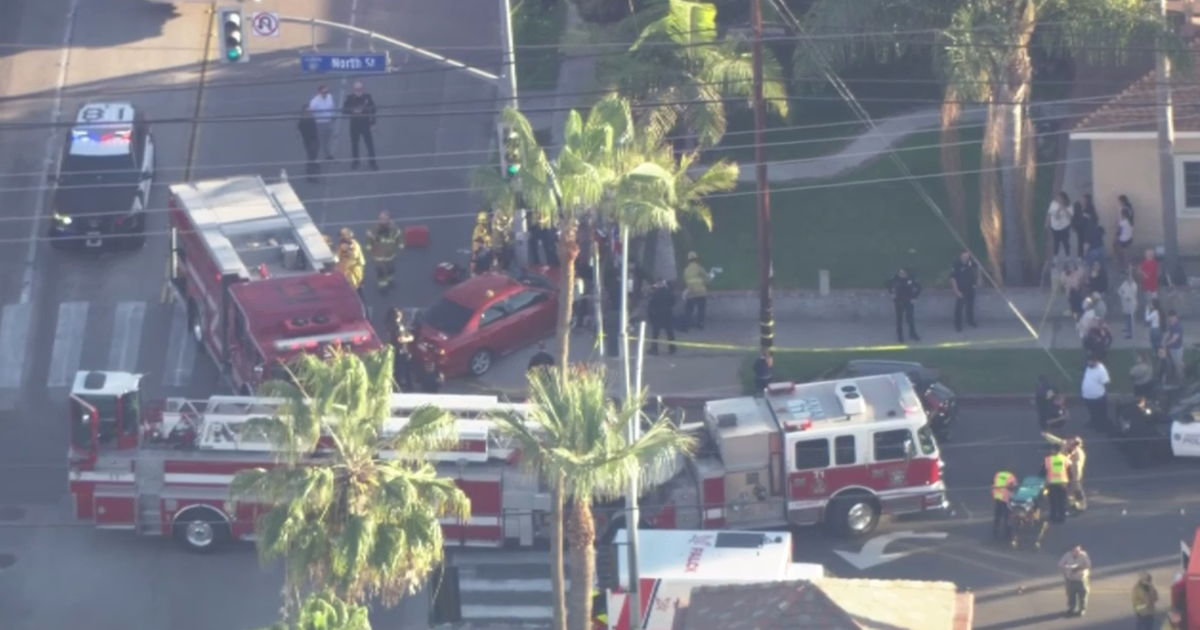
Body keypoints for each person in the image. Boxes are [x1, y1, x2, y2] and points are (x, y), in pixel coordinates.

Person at [341, 81, 378, 170]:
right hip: (354, 124)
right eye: (357, 89)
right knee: (354, 144)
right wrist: (353, 110)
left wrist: (373, 122)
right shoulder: (350, 98)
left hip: (365, 123)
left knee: (369, 143)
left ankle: (372, 162)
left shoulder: (367, 97)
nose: (359, 91)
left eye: (360, 89)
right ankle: (355, 161)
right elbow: (344, 110)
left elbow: (373, 109)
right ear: (353, 90)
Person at [366, 211, 402, 291]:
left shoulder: (395, 229)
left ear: (389, 219)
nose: (381, 220)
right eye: (380, 218)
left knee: (391, 269)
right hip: (378, 256)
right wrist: (369, 252)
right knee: (381, 272)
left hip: (390, 255)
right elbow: (369, 242)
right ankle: (382, 287)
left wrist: (399, 250)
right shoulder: (373, 229)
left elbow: (399, 240)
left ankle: (389, 281)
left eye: (384, 219)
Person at [885, 268, 921, 343]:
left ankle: (912, 334)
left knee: (910, 318)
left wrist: (915, 297)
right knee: (899, 319)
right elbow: (887, 284)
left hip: (909, 300)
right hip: (899, 301)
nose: (901, 275)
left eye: (903, 273)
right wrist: (891, 293)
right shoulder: (895, 278)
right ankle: (900, 336)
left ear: (906, 273)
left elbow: (918, 288)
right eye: (900, 273)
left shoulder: (911, 278)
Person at [385, 308, 414, 391]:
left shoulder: (390, 325)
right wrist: (409, 338)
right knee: (404, 368)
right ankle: (407, 385)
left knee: (397, 369)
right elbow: (401, 339)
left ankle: (398, 385)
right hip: (401, 350)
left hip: (394, 350)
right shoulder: (398, 327)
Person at [1059, 545, 1092, 617]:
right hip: (1070, 579)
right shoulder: (1067, 555)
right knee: (1071, 595)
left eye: (1079, 551)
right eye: (1076, 551)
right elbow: (1060, 564)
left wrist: (1079, 568)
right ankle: (1072, 608)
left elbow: (1088, 565)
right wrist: (1067, 567)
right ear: (1072, 551)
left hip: (1081, 579)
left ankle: (1082, 609)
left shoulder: (1084, 555)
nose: (1078, 553)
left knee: (1083, 595)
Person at [647, 279, 677, 355]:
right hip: (667, 313)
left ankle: (654, 349)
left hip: (657, 315)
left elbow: (651, 305)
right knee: (669, 332)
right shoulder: (668, 292)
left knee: (655, 333)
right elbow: (673, 302)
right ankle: (672, 348)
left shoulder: (655, 293)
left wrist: (650, 315)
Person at [951, 250, 978, 332]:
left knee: (970, 306)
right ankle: (958, 324)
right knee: (959, 308)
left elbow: (977, 268)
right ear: (960, 256)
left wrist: (975, 283)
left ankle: (970, 321)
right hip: (961, 289)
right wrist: (957, 291)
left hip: (971, 288)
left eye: (967, 257)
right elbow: (952, 279)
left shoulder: (970, 263)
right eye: (964, 257)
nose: (965, 258)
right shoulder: (956, 265)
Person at [1081, 354, 1110, 430]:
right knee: (1092, 412)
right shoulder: (1088, 367)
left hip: (1098, 397)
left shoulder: (1101, 369)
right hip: (1087, 396)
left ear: (1097, 361)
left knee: (1100, 413)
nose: (1091, 363)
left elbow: (1106, 382)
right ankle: (1094, 423)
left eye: (1093, 361)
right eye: (1090, 361)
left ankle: (1101, 427)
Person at [682, 251, 710, 330]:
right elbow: (707, 278)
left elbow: (685, 280)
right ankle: (700, 323)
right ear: (696, 259)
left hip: (691, 292)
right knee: (701, 309)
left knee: (689, 309)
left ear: (688, 260)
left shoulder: (686, 270)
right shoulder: (699, 268)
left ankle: (687, 323)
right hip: (701, 292)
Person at [308, 85, 336, 161]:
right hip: (319, 124)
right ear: (319, 92)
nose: (325, 94)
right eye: (324, 92)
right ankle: (314, 157)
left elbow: (332, 107)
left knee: (327, 140)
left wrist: (333, 115)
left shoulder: (329, 97)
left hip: (328, 122)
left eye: (326, 92)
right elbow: (309, 112)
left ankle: (327, 154)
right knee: (318, 142)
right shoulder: (314, 102)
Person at [336, 228, 365, 298]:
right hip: (346, 271)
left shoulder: (354, 245)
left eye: (343, 236)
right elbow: (337, 256)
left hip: (354, 269)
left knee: (356, 289)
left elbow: (355, 255)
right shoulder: (341, 246)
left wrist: (348, 251)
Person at [1045, 445, 1070, 524]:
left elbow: (1043, 471)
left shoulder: (1048, 459)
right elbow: (1069, 470)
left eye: (1052, 449)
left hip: (1052, 483)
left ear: (1054, 450)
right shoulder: (1065, 459)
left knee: (1053, 501)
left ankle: (1054, 517)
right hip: (1062, 483)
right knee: (1062, 501)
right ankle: (1062, 517)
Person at [991, 469, 1016, 541]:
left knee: (997, 516)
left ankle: (995, 531)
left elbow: (993, 483)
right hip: (1006, 499)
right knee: (1007, 516)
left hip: (997, 497)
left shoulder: (998, 474)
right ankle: (1007, 534)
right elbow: (1012, 487)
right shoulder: (1011, 477)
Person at [1046, 192, 1074, 259]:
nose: (1057, 199)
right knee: (1056, 242)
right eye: (1057, 198)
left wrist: (1064, 208)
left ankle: (1068, 256)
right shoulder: (1053, 203)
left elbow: (1070, 216)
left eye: (1059, 198)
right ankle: (1055, 256)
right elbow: (1051, 213)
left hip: (1064, 227)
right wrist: (1047, 221)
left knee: (1065, 242)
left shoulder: (1069, 205)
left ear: (1063, 199)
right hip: (1055, 227)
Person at [297, 106, 320, 183]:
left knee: (314, 155)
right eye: (308, 111)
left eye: (310, 111)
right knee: (311, 158)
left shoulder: (311, 118)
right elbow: (302, 130)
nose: (310, 112)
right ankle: (310, 175)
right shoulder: (303, 121)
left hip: (314, 139)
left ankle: (313, 168)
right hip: (309, 141)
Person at [1066, 437, 1088, 513]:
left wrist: (1076, 478)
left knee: (1077, 490)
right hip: (1072, 472)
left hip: (1075, 474)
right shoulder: (1074, 451)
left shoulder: (1078, 454)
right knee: (1071, 490)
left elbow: (1077, 466)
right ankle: (1073, 504)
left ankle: (1082, 505)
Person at [1164, 310, 1185, 378]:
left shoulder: (1178, 326)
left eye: (1173, 317)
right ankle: (1177, 373)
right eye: (1170, 317)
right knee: (1174, 362)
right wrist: (1164, 340)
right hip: (1172, 348)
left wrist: (1166, 344)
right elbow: (1169, 334)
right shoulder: (1171, 325)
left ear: (1176, 317)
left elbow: (1174, 338)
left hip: (1177, 348)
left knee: (1178, 364)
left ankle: (1181, 377)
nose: (1171, 319)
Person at [1119, 270, 1139, 339]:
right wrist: (1123, 294)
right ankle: (1127, 328)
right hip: (1125, 304)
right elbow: (1120, 290)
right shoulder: (1125, 283)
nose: (1129, 278)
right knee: (1127, 317)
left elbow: (1131, 294)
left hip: (1131, 304)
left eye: (1131, 277)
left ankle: (1131, 333)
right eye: (1128, 276)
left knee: (1131, 318)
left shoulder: (1134, 285)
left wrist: (1125, 295)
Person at [1116, 200, 1135, 268]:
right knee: (1128, 252)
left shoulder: (1122, 222)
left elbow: (1119, 232)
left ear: (1123, 215)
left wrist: (1116, 237)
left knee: (1124, 254)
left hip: (1123, 240)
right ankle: (1131, 265)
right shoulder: (1130, 221)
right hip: (1129, 238)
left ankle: (1126, 266)